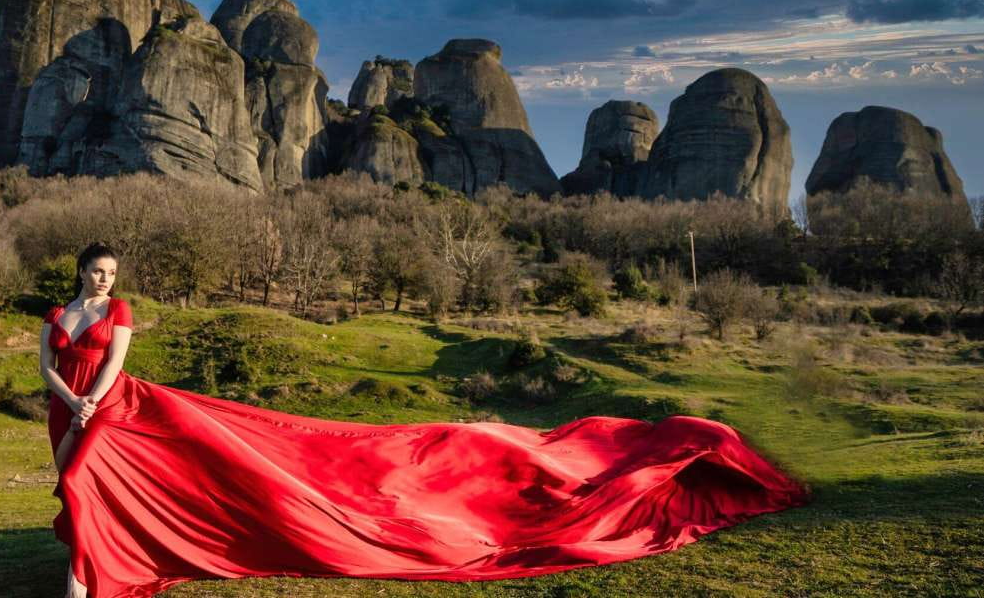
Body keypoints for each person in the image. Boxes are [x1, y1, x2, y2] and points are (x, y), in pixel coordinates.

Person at [40, 241, 811, 598]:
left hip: (109, 403)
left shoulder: (122, 312)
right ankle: (86, 562)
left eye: (109, 273)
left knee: (89, 470)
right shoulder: (60, 309)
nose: (101, 280)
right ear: (79, 271)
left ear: (118, 278)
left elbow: (114, 361)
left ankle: (84, 580)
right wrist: (63, 397)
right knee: (73, 472)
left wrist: (91, 401)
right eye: (93, 271)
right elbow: (45, 357)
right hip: (62, 401)